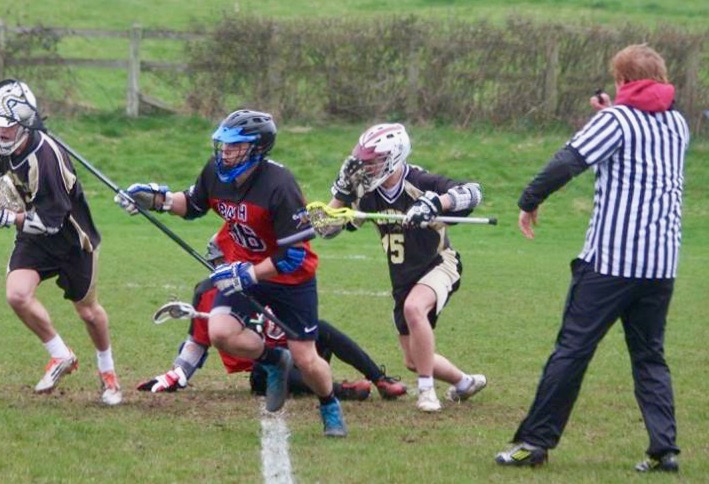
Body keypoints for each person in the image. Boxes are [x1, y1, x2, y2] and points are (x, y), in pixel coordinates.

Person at [495, 44, 688, 473]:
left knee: (572, 351)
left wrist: (529, 200)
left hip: (611, 263)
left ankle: (534, 442)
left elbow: (569, 160)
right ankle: (665, 450)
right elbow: (639, 129)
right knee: (649, 356)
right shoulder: (678, 123)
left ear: (622, 81)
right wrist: (608, 111)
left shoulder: (615, 121)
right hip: (660, 264)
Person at [116, 109, 348, 437]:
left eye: (234, 147)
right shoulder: (215, 172)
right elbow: (193, 204)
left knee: (307, 359)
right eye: (223, 146)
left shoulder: (280, 186)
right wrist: (155, 200)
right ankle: (272, 359)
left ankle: (329, 404)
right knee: (221, 332)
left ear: (257, 148)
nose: (225, 153)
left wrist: (250, 274)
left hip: (289, 279)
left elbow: (293, 255)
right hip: (241, 270)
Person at [0, 79, 122, 406]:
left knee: (88, 312)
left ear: (25, 125)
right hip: (34, 237)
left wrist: (1, 217)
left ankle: (108, 372)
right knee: (17, 294)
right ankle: (60, 355)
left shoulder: (46, 160)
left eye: (7, 129)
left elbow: (51, 223)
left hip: (72, 240)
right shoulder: (4, 145)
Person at [320, 123, 487, 413]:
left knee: (414, 309)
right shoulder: (366, 193)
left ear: (393, 158)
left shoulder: (419, 181)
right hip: (403, 278)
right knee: (414, 359)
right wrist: (341, 193)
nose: (367, 169)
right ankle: (464, 383)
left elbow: (474, 192)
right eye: (364, 163)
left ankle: (427, 392)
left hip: (439, 264)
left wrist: (436, 203)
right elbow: (327, 228)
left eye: (373, 163)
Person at [138, 236, 408, 401]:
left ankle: (379, 378)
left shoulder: (263, 278)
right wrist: (175, 375)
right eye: (227, 260)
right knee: (266, 369)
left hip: (297, 350)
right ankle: (341, 390)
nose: (232, 264)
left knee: (321, 328)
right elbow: (197, 343)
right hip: (263, 368)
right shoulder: (207, 292)